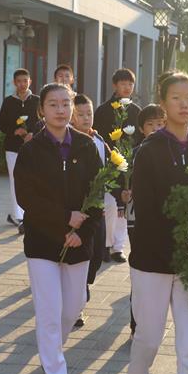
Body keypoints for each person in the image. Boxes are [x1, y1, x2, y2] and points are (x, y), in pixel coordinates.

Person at [14, 83, 102, 374]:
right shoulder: (30, 150)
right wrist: (64, 219)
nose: (61, 110)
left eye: (66, 104)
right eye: (53, 104)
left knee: (73, 307)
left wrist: (82, 231)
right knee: (49, 311)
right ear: (42, 110)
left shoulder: (86, 145)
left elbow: (100, 191)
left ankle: (52, 350)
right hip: (42, 242)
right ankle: (55, 368)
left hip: (79, 241)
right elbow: (26, 198)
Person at [128, 72, 188, 374]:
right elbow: (147, 212)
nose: (184, 104)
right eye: (176, 98)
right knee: (148, 339)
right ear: (163, 103)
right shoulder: (148, 151)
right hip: (152, 261)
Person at [115, 102, 166, 337]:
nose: (156, 128)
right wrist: (121, 195)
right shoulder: (135, 152)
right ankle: (137, 324)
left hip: (166, 220)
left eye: (160, 123)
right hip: (138, 219)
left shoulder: (174, 149)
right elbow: (120, 178)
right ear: (141, 128)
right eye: (151, 124)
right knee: (140, 270)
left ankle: (153, 320)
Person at [93, 68, 141, 263]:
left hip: (129, 164)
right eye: (123, 84)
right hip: (109, 163)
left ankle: (118, 247)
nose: (127, 87)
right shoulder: (104, 110)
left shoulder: (137, 111)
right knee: (110, 205)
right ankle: (105, 244)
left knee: (126, 203)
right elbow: (99, 137)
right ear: (115, 85)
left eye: (130, 84)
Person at [69, 93, 108, 328]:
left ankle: (82, 289)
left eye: (89, 114)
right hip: (75, 210)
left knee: (96, 255)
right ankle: (76, 306)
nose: (86, 118)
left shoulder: (99, 140)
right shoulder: (68, 141)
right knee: (80, 256)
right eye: (81, 114)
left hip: (96, 208)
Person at [0, 68, 40, 234]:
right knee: (15, 180)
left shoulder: (37, 100)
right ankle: (16, 214)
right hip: (13, 147)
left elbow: (43, 121)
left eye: (25, 80)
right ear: (14, 83)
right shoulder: (9, 101)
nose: (22, 84)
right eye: (19, 81)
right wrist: (14, 131)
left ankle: (30, 212)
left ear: (30, 81)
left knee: (32, 181)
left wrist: (33, 134)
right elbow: (1, 122)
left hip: (33, 148)